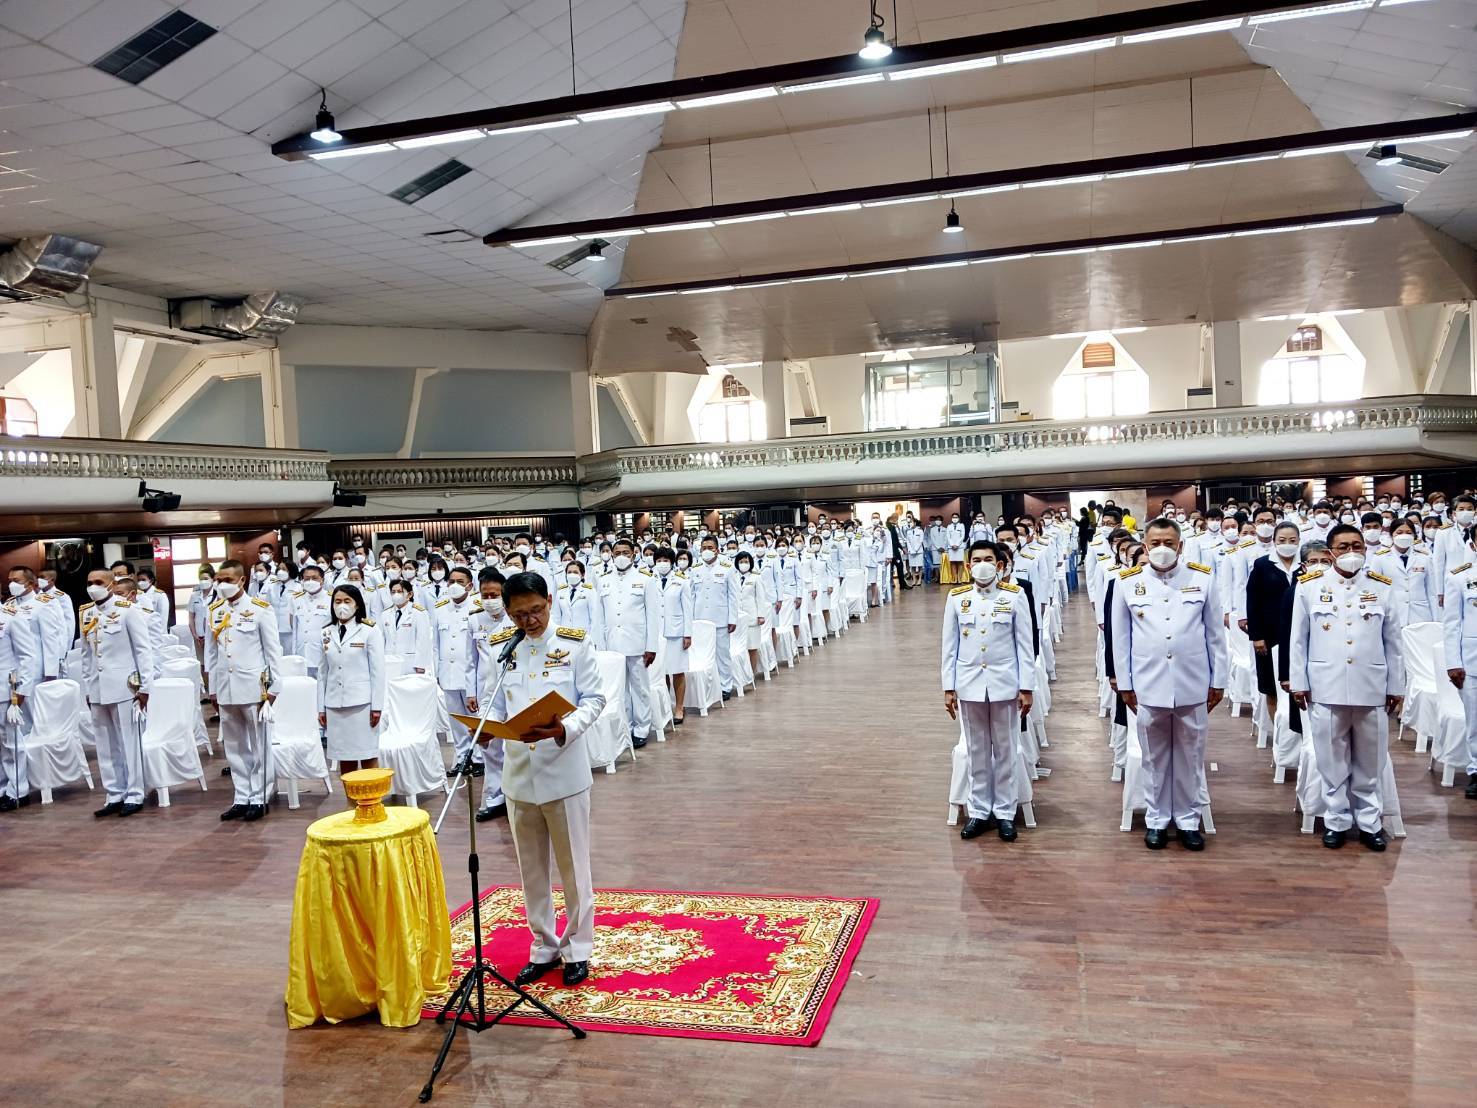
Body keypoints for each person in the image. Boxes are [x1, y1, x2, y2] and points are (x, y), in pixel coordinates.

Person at [482, 573, 605, 989]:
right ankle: (544, 946)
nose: (529, 621)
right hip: (518, 774)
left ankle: (578, 949)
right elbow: (493, 701)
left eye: (536, 610)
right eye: (519, 614)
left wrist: (563, 729)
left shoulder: (573, 643)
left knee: (574, 868)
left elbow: (594, 699)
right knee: (531, 869)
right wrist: (485, 726)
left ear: (549, 602)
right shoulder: (502, 646)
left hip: (563, 769)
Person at [1110, 518, 1226, 852]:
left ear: (1181, 546)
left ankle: (1189, 821)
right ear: (1145, 546)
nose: (1163, 549)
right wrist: (1125, 684)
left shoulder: (1201, 579)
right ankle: (1158, 819)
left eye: (1169, 543)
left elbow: (1216, 635)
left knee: (1190, 756)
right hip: (1148, 683)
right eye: (1156, 543)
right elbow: (1121, 639)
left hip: (1193, 683)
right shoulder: (1127, 582)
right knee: (1154, 757)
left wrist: (1218, 681)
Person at [1288, 524, 1403, 850]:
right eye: (1343, 547)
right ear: (1330, 552)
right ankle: (1336, 821)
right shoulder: (1309, 586)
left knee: (1370, 761)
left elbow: (1393, 642)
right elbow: (1298, 640)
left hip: (1372, 686)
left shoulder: (1381, 587)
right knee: (1331, 760)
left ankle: (1370, 824)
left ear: (1365, 549)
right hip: (1326, 685)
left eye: (1356, 545)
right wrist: (1299, 683)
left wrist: (1396, 686)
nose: (1350, 552)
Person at [942, 541, 1034, 843]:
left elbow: (1024, 646)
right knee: (976, 750)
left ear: (1000, 565)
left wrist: (1026, 687)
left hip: (1005, 683)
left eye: (988, 559)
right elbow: (949, 647)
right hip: (969, 685)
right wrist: (948, 688)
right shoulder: (957, 598)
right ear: (968, 566)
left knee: (1006, 750)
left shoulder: (1015, 596)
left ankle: (1006, 813)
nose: (982, 564)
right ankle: (979, 811)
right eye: (977, 560)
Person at [204, 560, 281, 822]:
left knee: (259, 744)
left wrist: (273, 688)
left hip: (253, 687)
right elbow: (211, 655)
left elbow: (273, 652)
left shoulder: (260, 609)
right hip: (226, 688)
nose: (221, 584)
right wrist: (212, 689)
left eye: (227, 579)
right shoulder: (214, 610)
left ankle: (259, 795)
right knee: (235, 746)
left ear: (241, 580)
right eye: (218, 579)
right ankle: (241, 796)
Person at [76, 568, 155, 817]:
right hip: (99, 688)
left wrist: (145, 687)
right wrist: (89, 687)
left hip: (124, 686)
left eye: (98, 582)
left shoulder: (127, 610)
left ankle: (134, 793)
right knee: (105, 744)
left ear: (111, 584)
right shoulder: (86, 613)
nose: (93, 586)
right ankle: (114, 793)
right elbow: (87, 656)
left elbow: (143, 650)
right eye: (89, 582)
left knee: (129, 742)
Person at [595, 538, 661, 748]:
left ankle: (641, 728)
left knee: (640, 688)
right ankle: (624, 727)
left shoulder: (645, 579)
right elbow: (599, 617)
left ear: (634, 554)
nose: (621, 556)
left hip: (637, 643)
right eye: (617, 552)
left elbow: (653, 615)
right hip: (612, 644)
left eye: (626, 552)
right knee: (618, 689)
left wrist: (651, 646)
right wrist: (600, 647)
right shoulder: (603, 579)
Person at [316, 584, 383, 776]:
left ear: (357, 605)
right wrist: (321, 707)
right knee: (345, 757)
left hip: (362, 704)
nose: (341, 606)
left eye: (347, 601)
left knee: (367, 754)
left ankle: (372, 802)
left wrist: (376, 706)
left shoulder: (369, 630)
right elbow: (322, 673)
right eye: (337, 601)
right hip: (335, 705)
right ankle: (352, 803)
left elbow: (377, 671)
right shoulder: (326, 632)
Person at [1245, 520, 1302, 725]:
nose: (1287, 543)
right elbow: (1253, 601)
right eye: (1282, 540)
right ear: (1274, 541)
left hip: (1299, 631)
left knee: (1298, 682)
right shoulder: (1262, 564)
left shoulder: (1305, 564)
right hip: (1270, 633)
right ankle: (1279, 733)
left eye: (1292, 540)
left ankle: (1299, 730)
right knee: (1271, 686)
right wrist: (1257, 636)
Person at [435, 565, 482, 775]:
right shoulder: (440, 609)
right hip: (448, 673)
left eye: (460, 582)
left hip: (471, 675)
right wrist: (437, 672)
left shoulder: (478, 609)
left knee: (475, 718)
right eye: (451, 581)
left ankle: (479, 759)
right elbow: (436, 645)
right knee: (456, 721)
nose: (454, 585)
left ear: (470, 585)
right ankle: (463, 759)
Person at [1441, 527, 1477, 800]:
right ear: (1473, 545)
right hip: (1472, 660)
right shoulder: (1460, 577)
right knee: (1475, 720)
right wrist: (1453, 662)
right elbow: (1452, 624)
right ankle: (1476, 771)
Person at [0, 588, 40, 812]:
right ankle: (2, 788)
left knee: (12, 742)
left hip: (6, 688)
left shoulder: (10, 616)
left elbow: (27, 655)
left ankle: (18, 791)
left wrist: (22, 688)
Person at [653, 547, 693, 725]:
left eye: (665, 560)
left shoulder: (681, 581)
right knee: (661, 673)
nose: (662, 563)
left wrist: (688, 634)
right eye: (659, 560)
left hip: (676, 632)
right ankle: (665, 707)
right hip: (655, 633)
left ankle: (679, 708)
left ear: (672, 562)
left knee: (677, 671)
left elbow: (688, 609)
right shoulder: (648, 580)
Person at [380, 577, 434, 674]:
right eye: (393, 592)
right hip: (389, 662)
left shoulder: (418, 612)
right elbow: (382, 640)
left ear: (409, 594)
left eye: (400, 592)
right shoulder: (385, 614)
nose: (396, 594)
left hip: (410, 663)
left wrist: (420, 665)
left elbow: (423, 641)